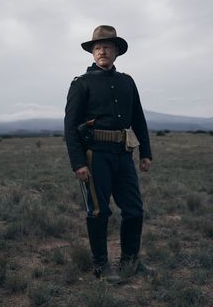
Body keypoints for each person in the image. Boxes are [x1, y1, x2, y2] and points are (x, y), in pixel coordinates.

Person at [64, 25, 152, 284]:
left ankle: (130, 260)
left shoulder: (127, 81)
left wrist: (145, 152)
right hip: (94, 157)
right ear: (92, 53)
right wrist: (78, 162)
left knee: (135, 210)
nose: (102, 50)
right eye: (97, 47)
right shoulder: (81, 84)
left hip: (123, 156)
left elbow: (138, 118)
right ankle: (101, 265)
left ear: (116, 51)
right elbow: (70, 127)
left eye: (107, 46)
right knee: (99, 212)